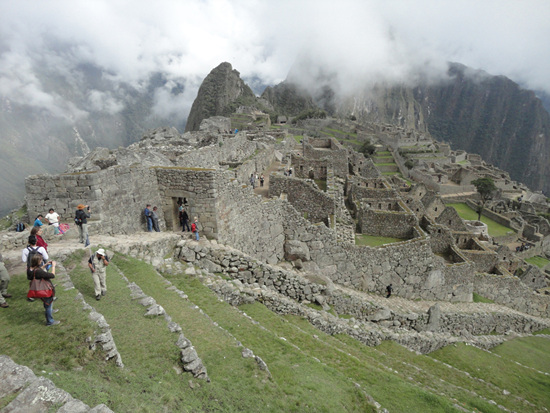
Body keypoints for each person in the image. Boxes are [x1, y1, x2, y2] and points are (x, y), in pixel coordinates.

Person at [27, 254, 59, 326]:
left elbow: (36, 271)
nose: (41, 261)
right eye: (40, 260)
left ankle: (50, 310)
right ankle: (50, 321)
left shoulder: (30, 269)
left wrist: (45, 265)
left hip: (38, 288)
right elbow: (52, 275)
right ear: (38, 261)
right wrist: (53, 266)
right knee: (48, 303)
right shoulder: (38, 272)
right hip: (44, 289)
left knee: (46, 302)